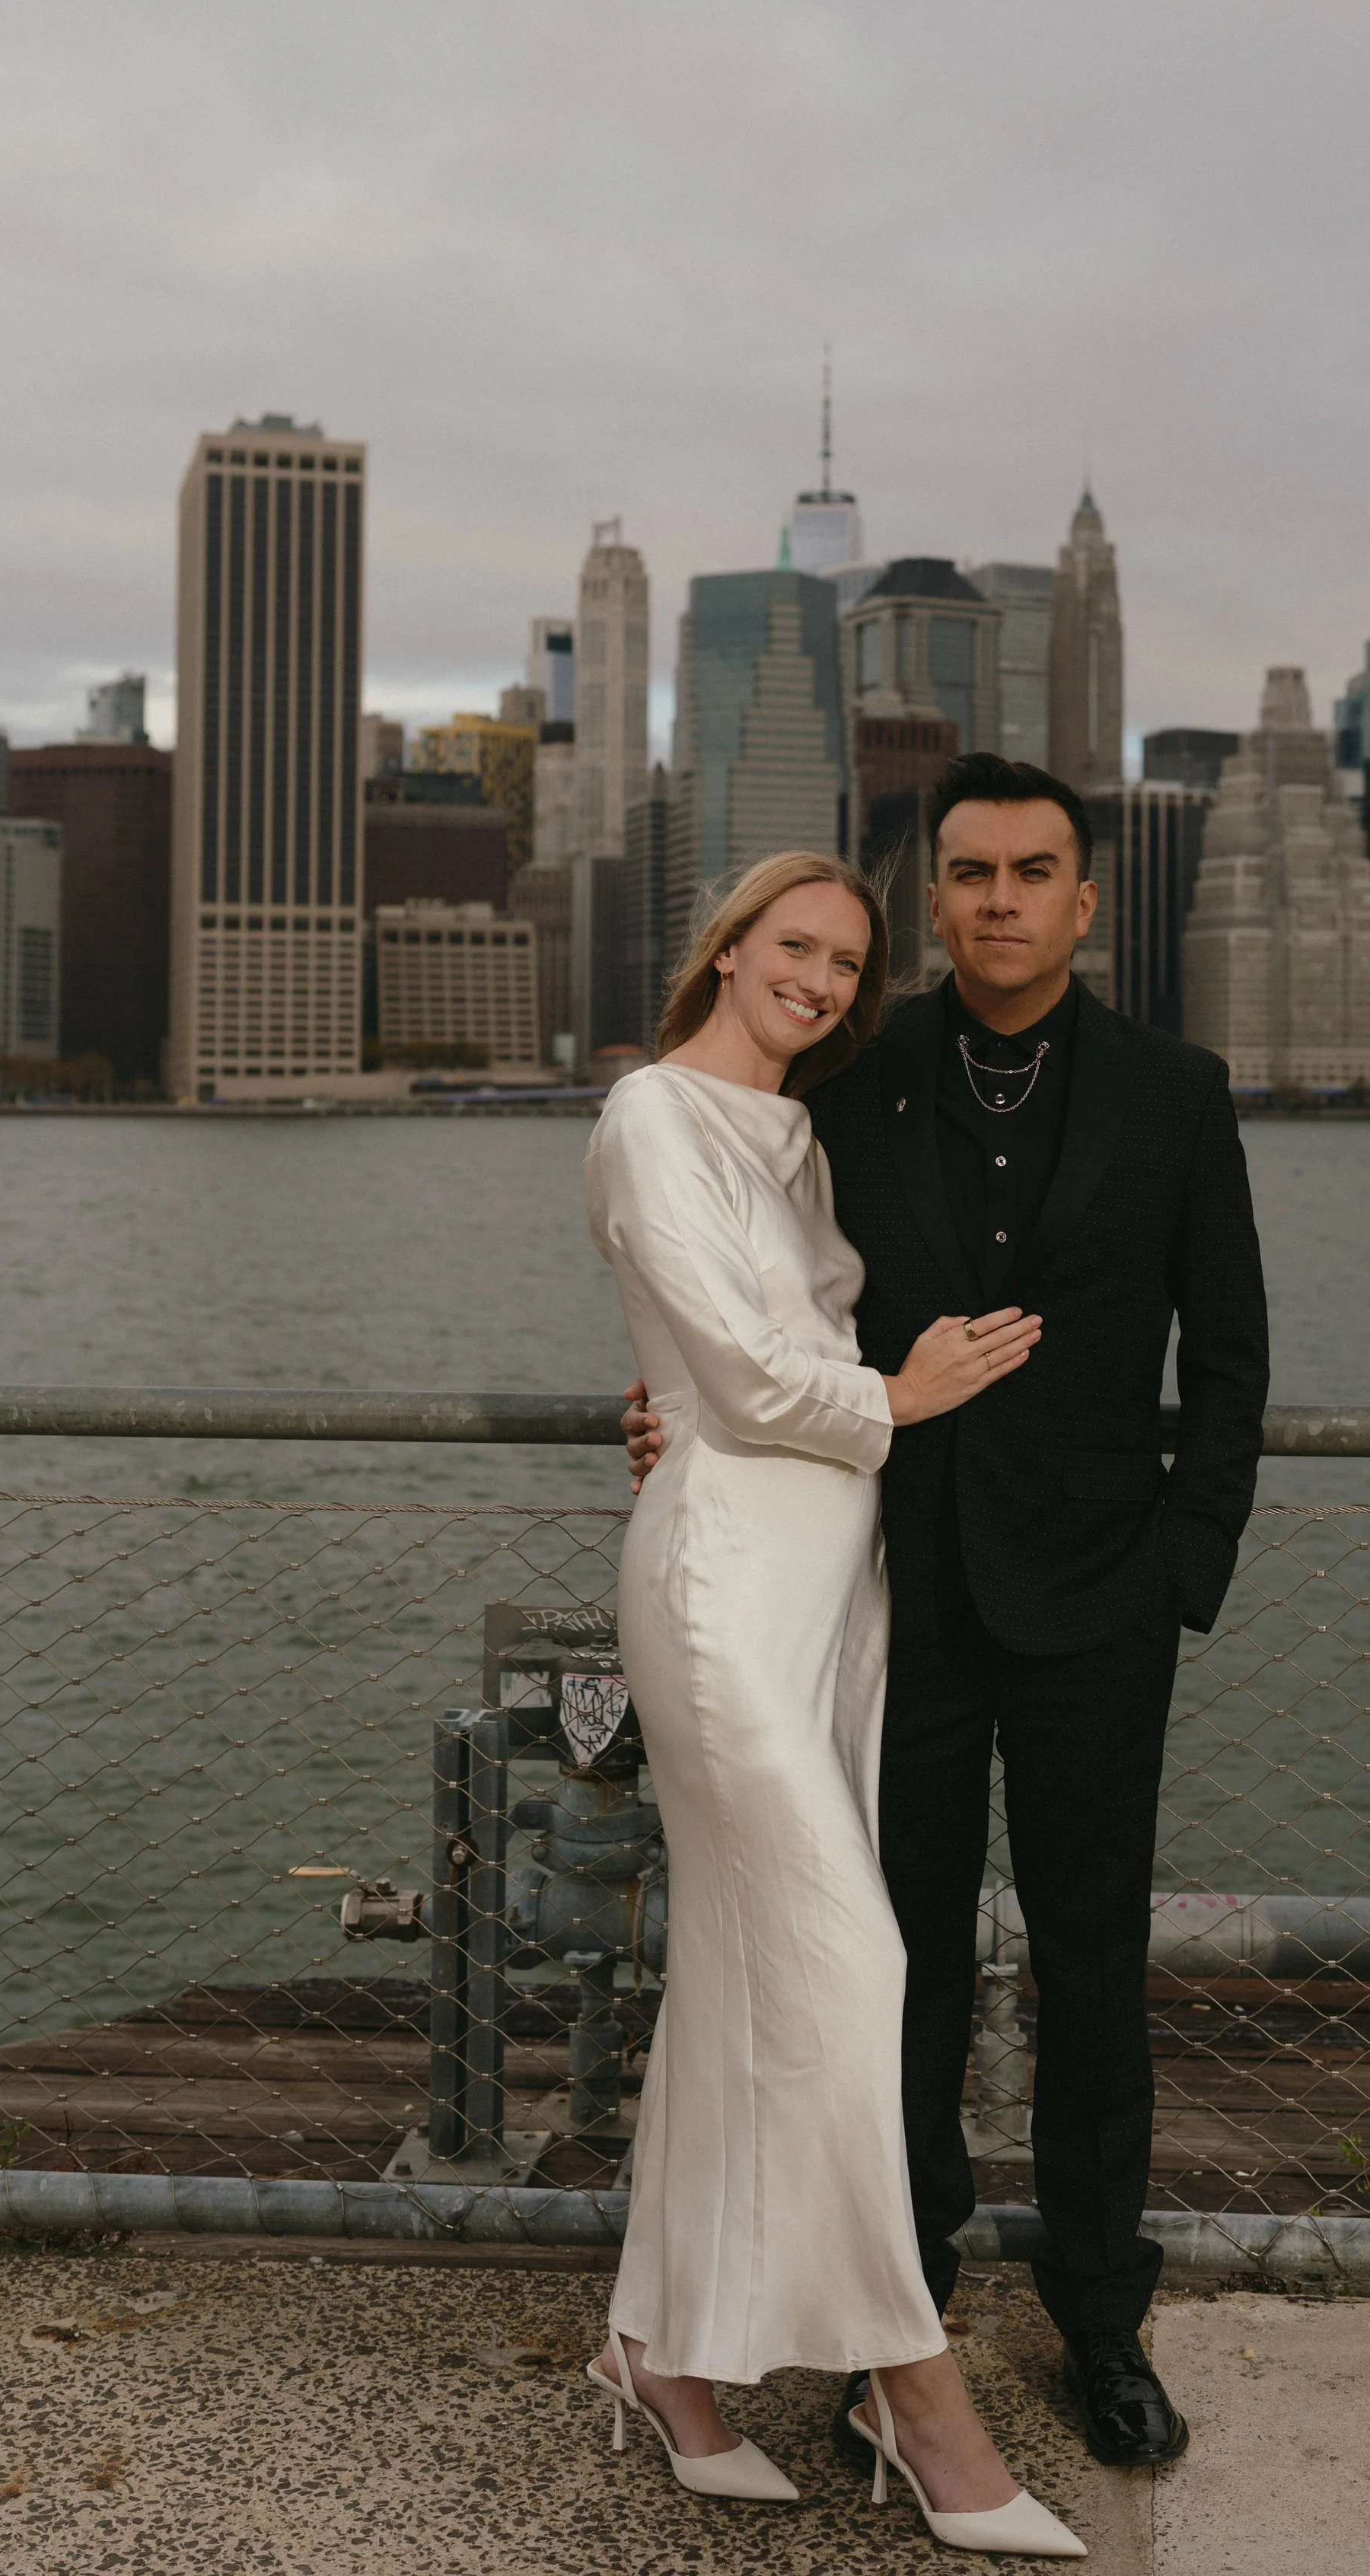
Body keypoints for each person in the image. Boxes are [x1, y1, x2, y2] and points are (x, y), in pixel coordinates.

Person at [627, 756, 1270, 2473]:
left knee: (1092, 1965)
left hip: (1102, 1603)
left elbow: (1229, 1356)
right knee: (887, 1971)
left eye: (1030, 871)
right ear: (937, 901)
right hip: (884, 1593)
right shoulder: (849, 1075)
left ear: (1082, 897)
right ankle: (890, 2323)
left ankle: (1099, 2319)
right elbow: (738, 1279)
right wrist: (670, 1408)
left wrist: (1183, 1570)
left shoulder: (1176, 1091)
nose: (998, 899)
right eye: (970, 873)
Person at [585, 847, 1088, 2558]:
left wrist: (729, 1397)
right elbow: (736, 1376)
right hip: (723, 1586)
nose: (818, 980)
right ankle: (918, 2398)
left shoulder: (798, 1137)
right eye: (792, 947)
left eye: (847, 965)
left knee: (738, 1978)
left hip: (831, 1589)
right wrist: (903, 1391)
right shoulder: (652, 1114)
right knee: (849, 1965)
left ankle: (663, 2356)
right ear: (726, 947)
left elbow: (723, 1348)